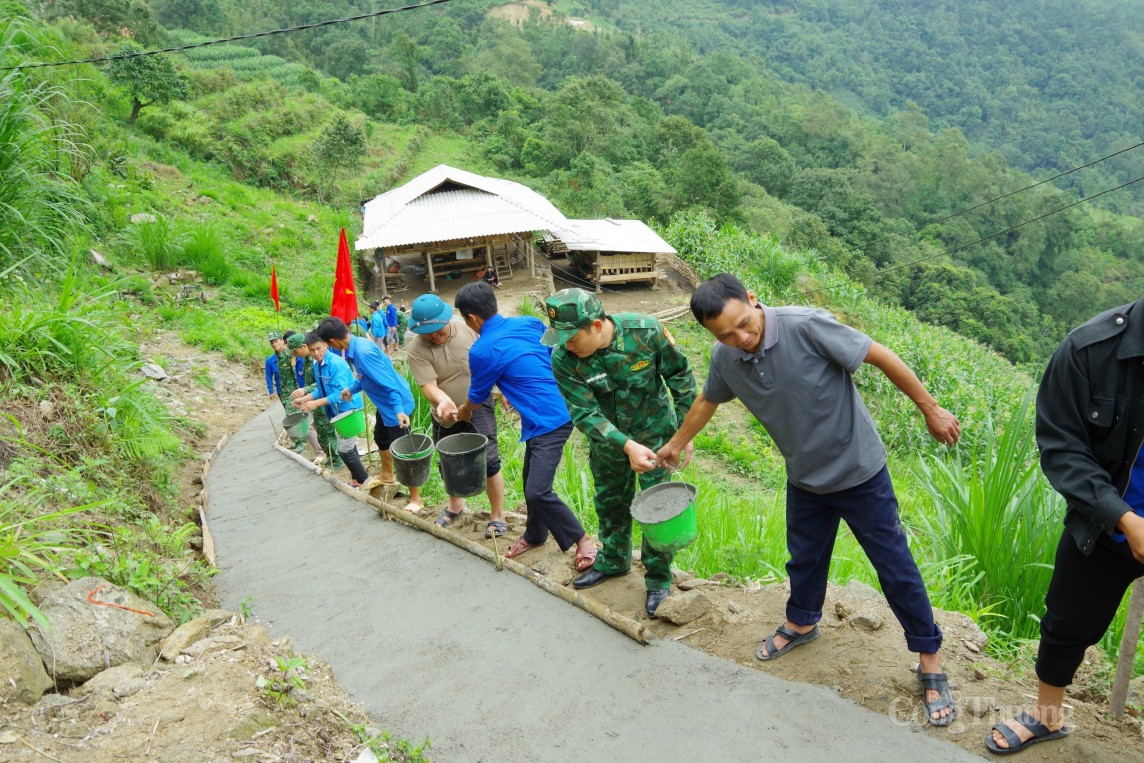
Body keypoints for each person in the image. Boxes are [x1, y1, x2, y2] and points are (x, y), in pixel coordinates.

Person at [657, 273, 961, 725]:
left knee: (895, 567)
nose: (741, 338)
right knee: (804, 559)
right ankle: (802, 622)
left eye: (744, 325)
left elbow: (879, 355)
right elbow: (708, 399)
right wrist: (677, 443)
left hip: (860, 474)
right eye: (726, 335)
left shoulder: (806, 325)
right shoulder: (726, 357)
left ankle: (929, 659)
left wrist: (930, 408)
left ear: (753, 300)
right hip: (805, 478)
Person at [986, 298, 1144, 754]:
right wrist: (1123, 518)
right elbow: (1062, 446)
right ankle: (1046, 715)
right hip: (1108, 519)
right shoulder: (1089, 350)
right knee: (1067, 620)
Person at [545, 289, 697, 618]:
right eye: (562, 339)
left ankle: (658, 578)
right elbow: (584, 412)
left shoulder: (646, 332)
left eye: (573, 338)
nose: (567, 346)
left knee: (658, 508)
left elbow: (680, 376)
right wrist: (626, 445)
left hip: (657, 439)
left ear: (597, 326)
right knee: (610, 501)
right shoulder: (563, 359)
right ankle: (614, 560)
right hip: (609, 444)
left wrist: (684, 434)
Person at [452, 281, 596, 567]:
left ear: (472, 318)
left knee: (537, 491)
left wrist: (465, 412)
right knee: (529, 477)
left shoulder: (481, 350)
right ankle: (535, 534)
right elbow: (542, 357)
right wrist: (511, 385)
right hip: (557, 405)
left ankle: (583, 540)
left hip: (550, 420)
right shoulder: (529, 322)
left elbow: (477, 396)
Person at [406, 294, 508, 536]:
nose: (434, 335)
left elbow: (494, 360)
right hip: (445, 413)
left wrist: (505, 388)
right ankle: (456, 505)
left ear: (446, 319)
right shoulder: (416, 349)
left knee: (489, 460)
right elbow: (428, 385)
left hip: (477, 405)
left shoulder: (469, 330)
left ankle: (497, 515)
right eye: (427, 332)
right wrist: (443, 401)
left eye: (437, 329)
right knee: (448, 461)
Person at [316, 317, 420, 510]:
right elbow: (365, 378)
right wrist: (351, 389)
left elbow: (389, 385)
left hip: (395, 405)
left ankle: (416, 499)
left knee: (404, 452)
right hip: (385, 405)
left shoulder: (362, 353)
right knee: (381, 438)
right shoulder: (357, 346)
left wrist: (399, 411)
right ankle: (387, 475)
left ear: (331, 342)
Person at [296, 333, 370, 487]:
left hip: (349, 409)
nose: (316, 353)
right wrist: (306, 398)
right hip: (337, 412)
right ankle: (356, 479)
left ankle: (365, 482)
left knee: (345, 450)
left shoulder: (335, 363)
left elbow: (340, 394)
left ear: (325, 345)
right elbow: (322, 389)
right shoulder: (317, 365)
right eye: (312, 350)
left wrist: (316, 404)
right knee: (350, 446)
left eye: (318, 348)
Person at [286, 333, 340, 469]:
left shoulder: (318, 360)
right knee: (321, 434)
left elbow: (323, 383)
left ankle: (337, 459)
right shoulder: (306, 361)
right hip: (314, 401)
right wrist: (304, 398)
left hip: (322, 401)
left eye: (296, 351)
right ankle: (330, 457)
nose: (295, 354)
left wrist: (305, 390)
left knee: (328, 432)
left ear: (303, 346)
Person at [265, 332, 284, 400]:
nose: (274, 344)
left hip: (296, 390)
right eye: (272, 342)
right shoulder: (270, 361)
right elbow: (268, 376)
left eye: (276, 341)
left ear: (282, 341)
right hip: (281, 392)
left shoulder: (291, 356)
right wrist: (271, 391)